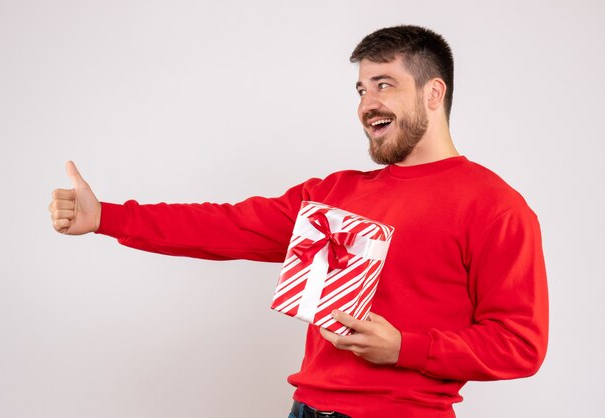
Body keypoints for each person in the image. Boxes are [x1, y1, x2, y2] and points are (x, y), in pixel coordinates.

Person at [48, 25, 548, 418]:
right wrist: (107, 218)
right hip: (304, 410)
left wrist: (404, 347)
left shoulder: (494, 206)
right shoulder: (334, 192)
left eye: (384, 84)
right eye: (360, 88)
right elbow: (229, 227)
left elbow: (520, 343)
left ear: (433, 93)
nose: (366, 103)